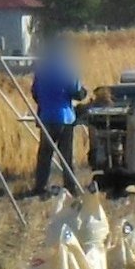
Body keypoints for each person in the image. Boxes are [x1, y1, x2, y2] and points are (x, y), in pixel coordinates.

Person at [28, 37, 87, 194]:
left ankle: (40, 186)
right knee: (66, 155)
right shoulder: (67, 68)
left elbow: (34, 92)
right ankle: (71, 186)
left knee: (45, 154)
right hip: (65, 117)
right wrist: (82, 94)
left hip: (46, 117)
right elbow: (77, 91)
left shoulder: (42, 68)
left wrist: (45, 103)